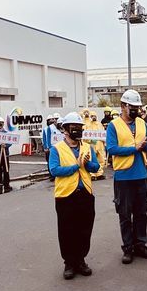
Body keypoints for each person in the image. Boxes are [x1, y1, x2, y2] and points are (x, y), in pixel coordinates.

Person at [106, 89, 147, 264]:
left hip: (140, 175)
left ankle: (140, 244)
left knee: (141, 213)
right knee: (125, 214)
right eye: (132, 107)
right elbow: (111, 149)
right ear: (123, 106)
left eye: (137, 107)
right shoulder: (114, 125)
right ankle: (128, 248)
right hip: (123, 177)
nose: (136, 110)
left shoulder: (142, 123)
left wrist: (146, 146)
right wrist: (134, 148)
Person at [49, 112, 100, 280]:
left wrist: (87, 164)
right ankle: (69, 263)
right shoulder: (56, 149)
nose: (78, 131)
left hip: (85, 194)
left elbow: (95, 167)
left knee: (85, 229)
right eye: (74, 128)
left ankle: (81, 260)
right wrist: (75, 166)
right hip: (66, 196)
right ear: (65, 129)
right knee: (66, 230)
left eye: (80, 128)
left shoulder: (86, 147)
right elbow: (54, 170)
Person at [86, 111, 106, 180]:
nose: (93, 117)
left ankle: (99, 173)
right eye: (92, 116)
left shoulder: (100, 124)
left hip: (100, 144)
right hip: (92, 144)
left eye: (94, 116)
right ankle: (92, 174)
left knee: (101, 159)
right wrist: (89, 140)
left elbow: (103, 134)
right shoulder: (88, 125)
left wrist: (104, 142)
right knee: (92, 159)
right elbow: (85, 135)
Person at [43, 114, 56, 181]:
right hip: (48, 149)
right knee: (49, 162)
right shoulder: (45, 129)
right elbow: (44, 138)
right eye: (49, 120)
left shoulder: (55, 129)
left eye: (52, 120)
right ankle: (51, 175)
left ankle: (54, 174)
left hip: (54, 148)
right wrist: (45, 147)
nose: (51, 121)